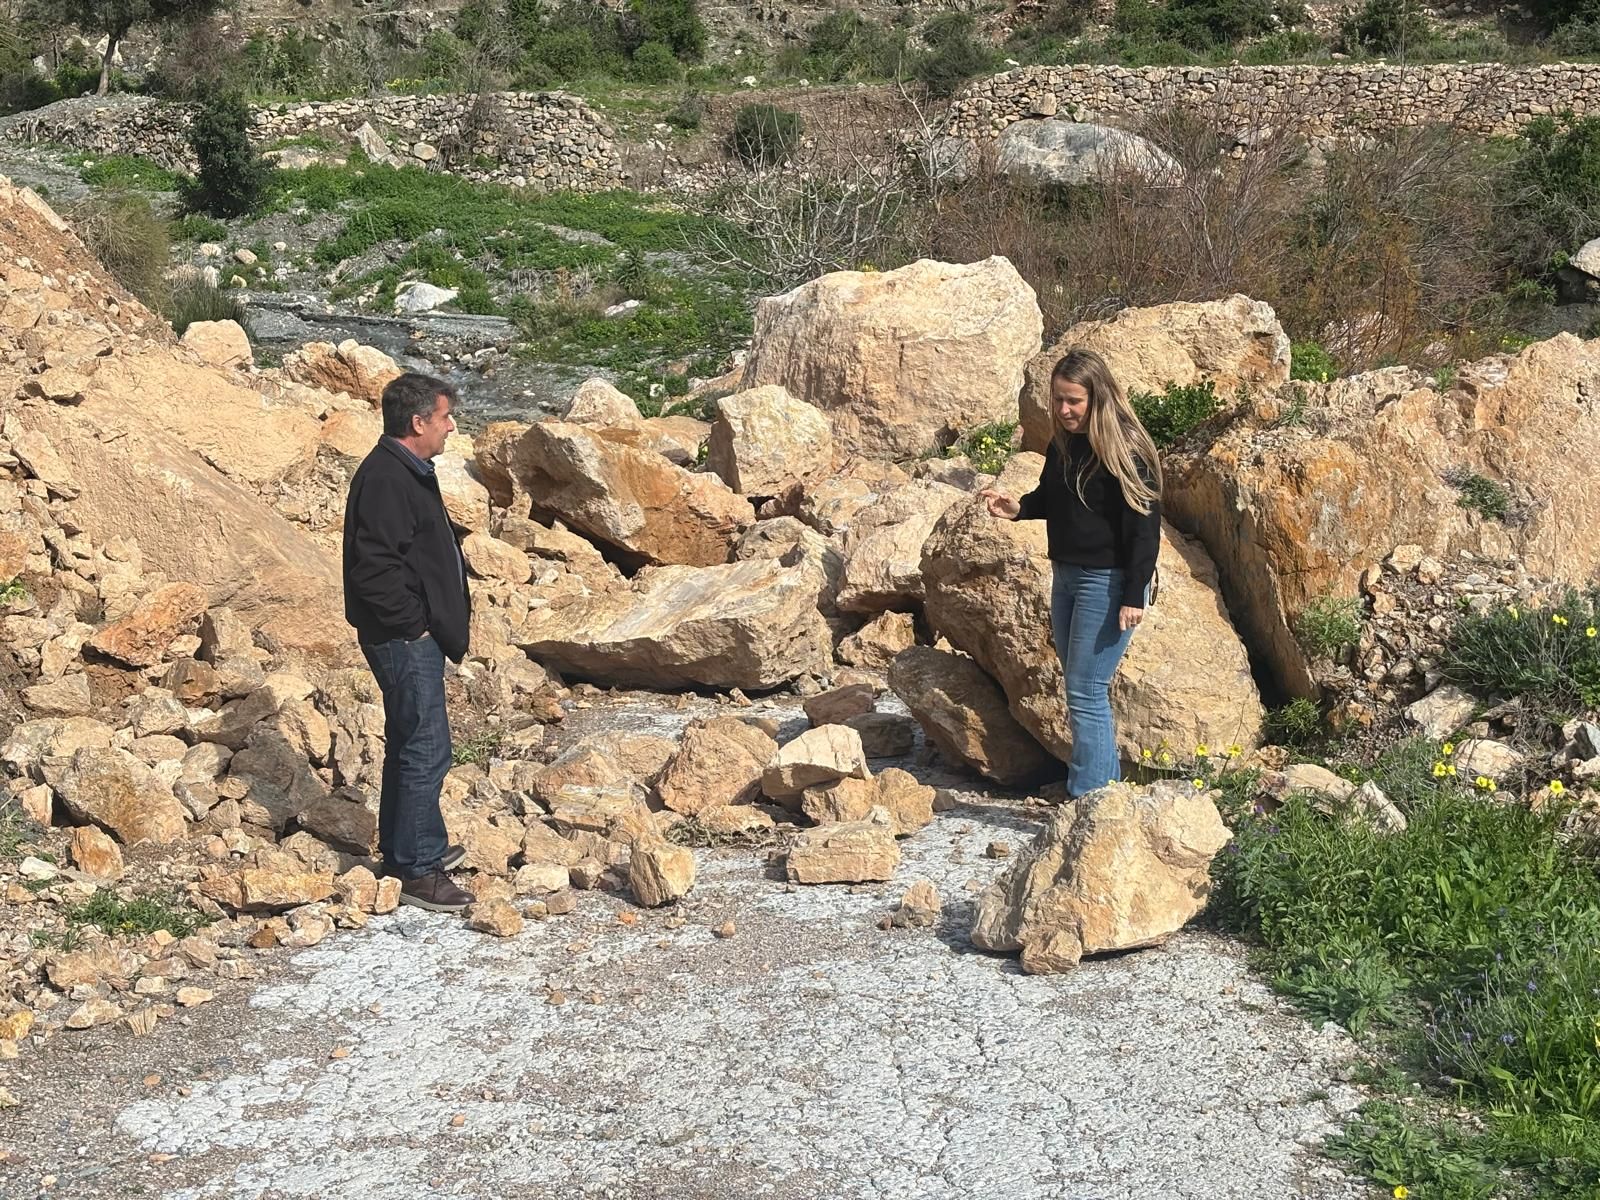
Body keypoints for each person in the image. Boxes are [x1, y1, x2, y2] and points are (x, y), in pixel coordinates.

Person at [979, 348, 1162, 799]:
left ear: (1097, 397)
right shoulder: (1062, 443)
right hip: (1066, 576)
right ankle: (1104, 789)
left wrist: (1134, 595)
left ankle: (1089, 798)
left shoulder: (1126, 449)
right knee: (1080, 686)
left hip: (1108, 582)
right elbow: (1051, 497)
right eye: (1058, 399)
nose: (1063, 410)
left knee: (1086, 690)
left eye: (1073, 401)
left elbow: (1145, 530)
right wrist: (1019, 508)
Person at [343, 372, 475, 912]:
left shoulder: (406, 470)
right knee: (425, 747)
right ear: (418, 421)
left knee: (410, 743)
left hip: (409, 635)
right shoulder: (387, 477)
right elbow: (374, 568)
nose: (450, 427)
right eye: (444, 417)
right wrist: (414, 624)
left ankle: (411, 851)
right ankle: (418, 868)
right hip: (401, 639)